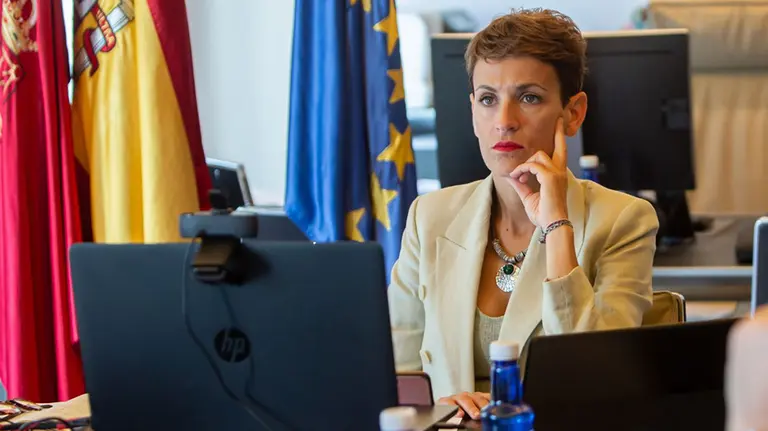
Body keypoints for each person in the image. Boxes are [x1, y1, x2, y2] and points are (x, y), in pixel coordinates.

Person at [387, 8, 659, 420]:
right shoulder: (430, 217)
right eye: (488, 99)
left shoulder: (625, 221)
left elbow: (596, 383)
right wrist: (437, 408)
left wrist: (557, 226)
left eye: (529, 97)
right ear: (473, 111)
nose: (504, 122)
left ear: (573, 113)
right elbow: (396, 373)